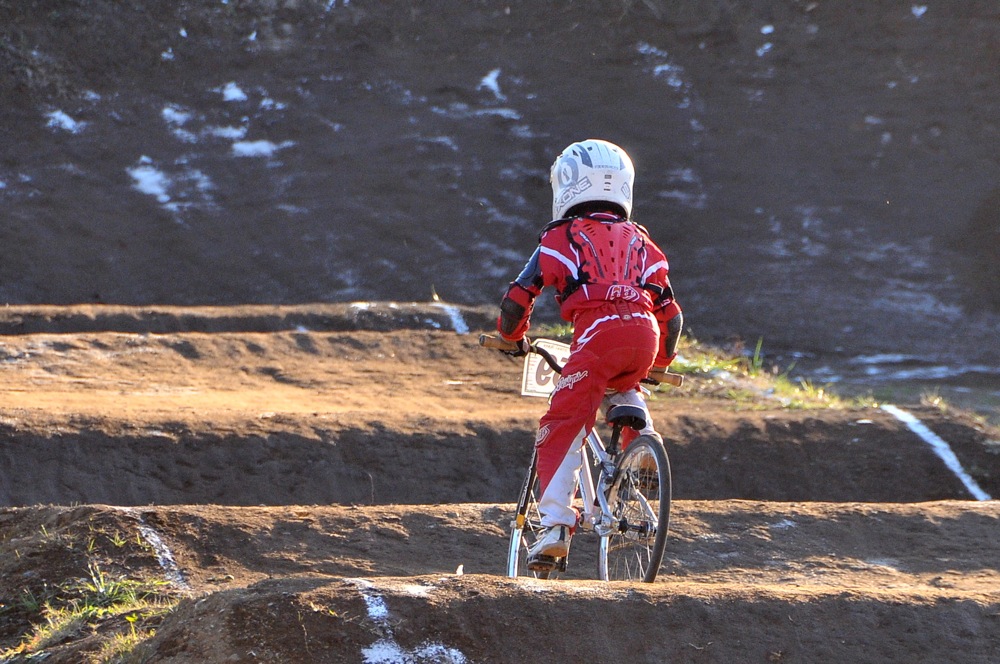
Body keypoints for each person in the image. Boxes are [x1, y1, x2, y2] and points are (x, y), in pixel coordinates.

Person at [494, 139, 683, 569]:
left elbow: (518, 298)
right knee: (626, 382)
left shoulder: (559, 237)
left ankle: (556, 525)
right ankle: (641, 444)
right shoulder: (644, 243)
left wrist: (510, 336)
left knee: (564, 420)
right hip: (645, 333)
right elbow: (671, 319)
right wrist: (659, 365)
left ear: (567, 186)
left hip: (597, 335)